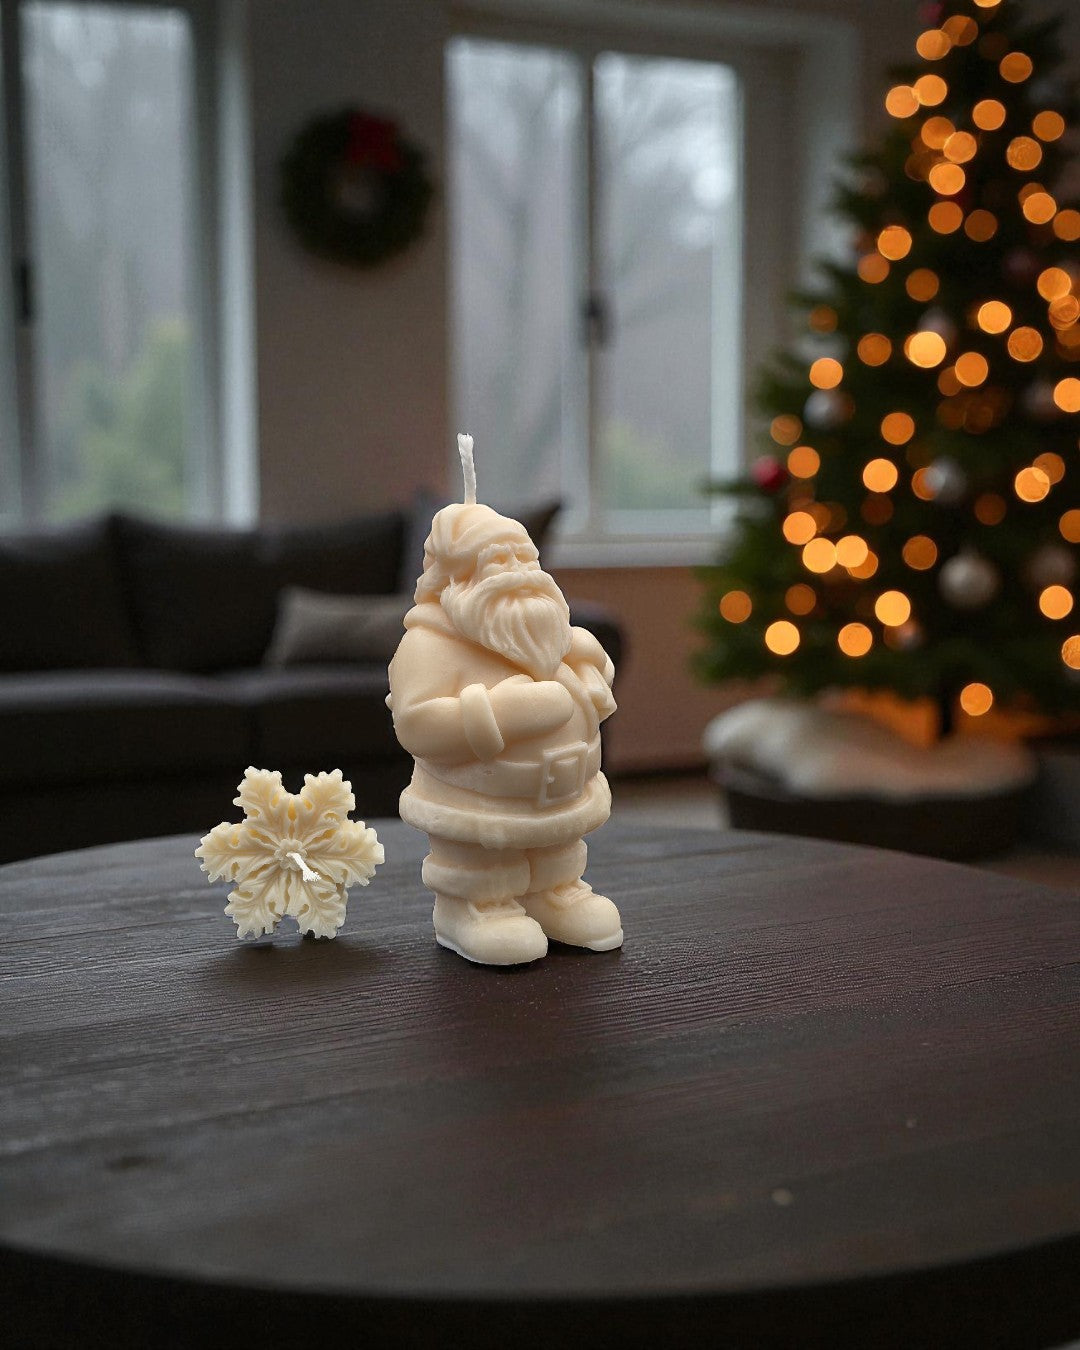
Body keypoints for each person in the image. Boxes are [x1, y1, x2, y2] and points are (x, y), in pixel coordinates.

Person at [387, 441, 621, 965]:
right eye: (497, 560)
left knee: (558, 851)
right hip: (477, 801)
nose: (518, 571)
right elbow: (417, 722)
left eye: (525, 556)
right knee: (483, 858)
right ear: (455, 575)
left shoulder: (546, 632)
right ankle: (475, 906)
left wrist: (590, 671)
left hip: (561, 795)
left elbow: (590, 693)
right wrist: (500, 715)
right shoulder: (429, 645)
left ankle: (554, 893)